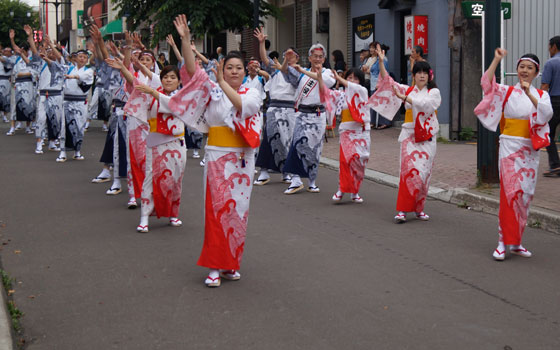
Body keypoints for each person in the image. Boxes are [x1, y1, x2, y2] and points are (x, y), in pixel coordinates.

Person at [168, 14, 263, 287]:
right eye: (229, 67)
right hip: (218, 158)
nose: (233, 71)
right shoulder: (212, 91)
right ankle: (213, 266)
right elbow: (190, 69)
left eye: (238, 68)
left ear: (245, 72)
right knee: (217, 210)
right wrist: (186, 40)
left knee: (238, 212)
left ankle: (230, 263)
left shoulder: (253, 92)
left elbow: (242, 107)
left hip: (243, 161)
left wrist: (221, 82)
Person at [474, 48, 553, 261]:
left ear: (536, 73)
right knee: (509, 194)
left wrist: (529, 94)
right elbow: (486, 84)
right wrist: (496, 60)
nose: (525, 71)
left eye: (530, 68)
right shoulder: (507, 91)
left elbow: (546, 115)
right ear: (517, 70)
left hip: (529, 150)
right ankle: (502, 242)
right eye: (522, 67)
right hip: (509, 146)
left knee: (525, 195)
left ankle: (516, 242)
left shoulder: (541, 95)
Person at [370, 44, 441, 223]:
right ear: (414, 75)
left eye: (425, 72)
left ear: (429, 75)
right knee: (409, 172)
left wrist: (406, 99)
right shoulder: (408, 90)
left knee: (423, 174)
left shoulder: (434, 93)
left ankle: (418, 208)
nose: (422, 75)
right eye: (418, 73)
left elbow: (425, 106)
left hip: (426, 137)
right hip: (409, 136)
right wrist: (381, 62)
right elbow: (389, 83)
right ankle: (402, 209)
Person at [283, 43, 335, 194]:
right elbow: (286, 72)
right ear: (310, 58)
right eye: (315, 56)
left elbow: (321, 80)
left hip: (318, 115)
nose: (318, 59)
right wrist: (288, 60)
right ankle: (296, 179)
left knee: (315, 149)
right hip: (302, 115)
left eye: (320, 57)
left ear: (324, 59)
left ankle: (312, 181)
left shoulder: (328, 74)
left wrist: (300, 70)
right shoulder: (302, 73)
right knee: (298, 144)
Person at [253, 27, 300, 185]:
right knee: (269, 138)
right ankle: (264, 171)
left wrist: (285, 62)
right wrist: (261, 43)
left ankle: (286, 171)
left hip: (289, 110)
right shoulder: (275, 70)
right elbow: (265, 60)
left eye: (291, 55)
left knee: (288, 141)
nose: (288, 57)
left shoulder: (298, 72)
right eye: (287, 54)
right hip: (274, 108)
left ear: (297, 58)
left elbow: (289, 73)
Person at [326, 68, 371, 203]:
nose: (351, 81)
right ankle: (341, 189)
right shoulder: (341, 94)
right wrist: (320, 78)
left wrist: (340, 79)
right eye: (349, 78)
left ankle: (355, 191)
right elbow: (326, 94)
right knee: (346, 161)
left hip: (361, 132)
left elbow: (354, 88)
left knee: (359, 161)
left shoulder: (362, 91)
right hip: (346, 131)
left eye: (355, 78)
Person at [29, 28, 65, 154]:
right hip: (44, 94)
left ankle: (52, 142)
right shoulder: (42, 63)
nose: (51, 53)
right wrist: (30, 37)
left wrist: (50, 44)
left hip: (56, 95)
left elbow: (59, 56)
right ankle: (39, 142)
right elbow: (34, 52)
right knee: (41, 119)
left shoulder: (61, 64)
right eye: (49, 51)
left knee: (55, 119)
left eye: (52, 51)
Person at [57, 49, 94, 162]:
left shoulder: (89, 71)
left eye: (84, 57)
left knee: (79, 126)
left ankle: (77, 151)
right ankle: (62, 151)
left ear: (87, 60)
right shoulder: (69, 68)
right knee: (65, 126)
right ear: (75, 58)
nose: (82, 59)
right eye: (80, 56)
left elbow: (83, 78)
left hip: (80, 102)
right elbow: (58, 61)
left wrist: (74, 77)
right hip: (67, 101)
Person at [7, 29, 36, 136]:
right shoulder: (17, 59)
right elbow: (15, 49)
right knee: (14, 105)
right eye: (21, 51)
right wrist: (12, 39)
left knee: (29, 105)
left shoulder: (31, 59)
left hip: (28, 84)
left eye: (24, 51)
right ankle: (12, 127)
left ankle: (28, 126)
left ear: (27, 51)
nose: (21, 52)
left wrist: (23, 74)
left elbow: (32, 73)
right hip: (18, 85)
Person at [541, 36, 560, 177]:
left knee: (547, 133)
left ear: (554, 46)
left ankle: (555, 166)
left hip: (555, 102)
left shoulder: (551, 63)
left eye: (549, 46)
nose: (549, 49)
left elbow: (545, 86)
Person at [369, 42, 391, 129]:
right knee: (375, 103)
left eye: (376, 49)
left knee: (381, 103)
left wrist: (380, 84)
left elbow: (383, 73)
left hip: (380, 85)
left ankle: (384, 122)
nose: (373, 50)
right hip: (374, 84)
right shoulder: (377, 60)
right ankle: (374, 122)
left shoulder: (383, 60)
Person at [0, 47, 15, 124]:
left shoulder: (11, 59)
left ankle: (5, 115)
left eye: (7, 51)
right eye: (4, 51)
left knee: (5, 98)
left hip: (6, 80)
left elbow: (4, 61)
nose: (5, 52)